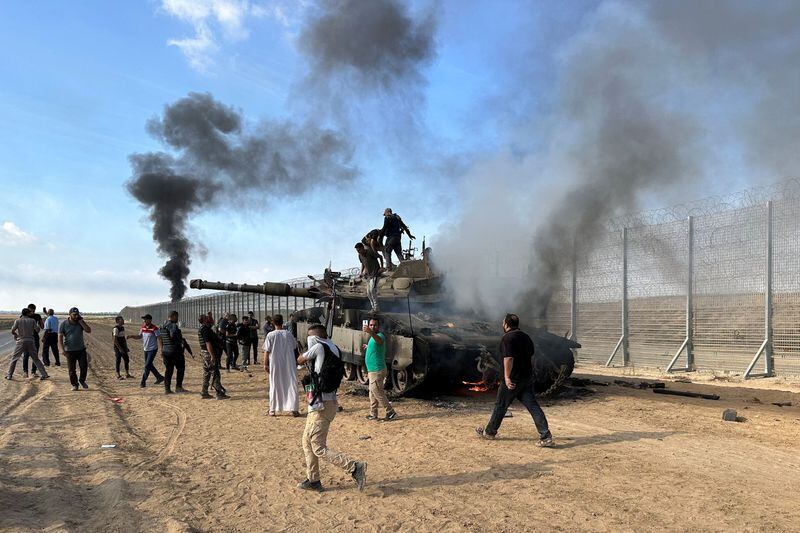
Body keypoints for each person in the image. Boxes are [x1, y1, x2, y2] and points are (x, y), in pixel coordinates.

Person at [296, 324, 367, 492]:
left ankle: (354, 467)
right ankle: (313, 480)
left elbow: (299, 360)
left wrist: (303, 350)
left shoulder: (318, 347)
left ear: (314, 338)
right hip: (323, 402)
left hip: (321, 404)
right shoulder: (333, 347)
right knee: (307, 442)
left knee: (318, 447)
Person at [475, 314, 554, 447]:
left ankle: (489, 432)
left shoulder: (507, 338)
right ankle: (546, 436)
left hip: (513, 379)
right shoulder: (526, 337)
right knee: (533, 407)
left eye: (502, 322)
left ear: (506, 324)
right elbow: (531, 355)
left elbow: (509, 358)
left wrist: (506, 377)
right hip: (526, 378)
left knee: (500, 405)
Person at [263, 314, 300, 417]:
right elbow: (294, 347)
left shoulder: (270, 335)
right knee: (291, 384)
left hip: (275, 363)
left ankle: (272, 409)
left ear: (273, 323)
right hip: (289, 363)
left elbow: (267, 351)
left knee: (275, 384)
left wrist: (265, 364)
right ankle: (294, 409)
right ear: (282, 322)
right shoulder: (288, 334)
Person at [361, 317, 396, 421]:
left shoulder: (379, 336)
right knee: (372, 392)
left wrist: (370, 332)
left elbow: (379, 341)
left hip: (377, 369)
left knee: (377, 391)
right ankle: (373, 413)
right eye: (371, 325)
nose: (372, 327)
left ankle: (390, 412)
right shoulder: (372, 337)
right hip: (372, 369)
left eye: (374, 325)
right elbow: (376, 345)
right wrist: (368, 346)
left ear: (378, 326)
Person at [6, 308, 49, 381]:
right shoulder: (32, 320)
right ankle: (44, 374)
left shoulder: (18, 321)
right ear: (27, 313)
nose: (31, 314)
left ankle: (9, 375)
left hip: (21, 341)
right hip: (31, 341)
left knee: (14, 358)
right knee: (35, 358)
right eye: (30, 313)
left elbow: (12, 331)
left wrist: (16, 335)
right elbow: (37, 329)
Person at [58, 307, 92, 390]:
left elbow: (88, 330)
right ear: (69, 315)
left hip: (81, 349)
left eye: (77, 314)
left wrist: (81, 322)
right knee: (72, 370)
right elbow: (60, 337)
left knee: (84, 366)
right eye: (74, 315)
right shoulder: (64, 324)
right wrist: (62, 349)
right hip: (70, 350)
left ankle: (82, 380)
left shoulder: (80, 322)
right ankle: (75, 384)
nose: (76, 316)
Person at [127, 314, 165, 388]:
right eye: (144, 319)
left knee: (147, 365)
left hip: (153, 349)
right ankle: (159, 377)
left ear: (150, 320)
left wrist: (161, 350)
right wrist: (132, 336)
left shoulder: (155, 328)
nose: (144, 321)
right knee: (149, 365)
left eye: (146, 319)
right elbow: (139, 336)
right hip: (146, 349)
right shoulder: (143, 328)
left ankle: (143, 382)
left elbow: (160, 339)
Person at [198, 314, 228, 400]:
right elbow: (208, 343)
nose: (208, 319)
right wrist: (212, 355)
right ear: (204, 320)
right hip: (208, 353)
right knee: (215, 373)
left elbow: (212, 323)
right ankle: (219, 393)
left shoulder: (205, 329)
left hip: (205, 353)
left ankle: (204, 392)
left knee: (207, 373)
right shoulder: (205, 330)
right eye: (206, 318)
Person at [161, 311, 187, 394]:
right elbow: (172, 335)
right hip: (175, 352)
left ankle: (167, 389)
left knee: (168, 370)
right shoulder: (173, 325)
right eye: (176, 317)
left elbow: (161, 338)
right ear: (172, 316)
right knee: (181, 368)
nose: (177, 318)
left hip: (166, 351)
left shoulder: (162, 326)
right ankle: (178, 387)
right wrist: (180, 340)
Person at [355, 242, 382, 311]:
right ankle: (373, 307)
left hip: (376, 274)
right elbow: (363, 264)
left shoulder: (370, 252)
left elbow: (380, 257)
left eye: (359, 250)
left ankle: (376, 307)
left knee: (372, 290)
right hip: (368, 276)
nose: (358, 252)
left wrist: (381, 267)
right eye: (357, 251)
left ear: (362, 248)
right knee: (368, 292)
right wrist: (361, 272)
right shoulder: (360, 256)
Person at [22, 304, 44, 377]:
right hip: (32, 338)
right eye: (32, 310)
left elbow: (42, 326)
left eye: (33, 310)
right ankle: (31, 372)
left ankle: (28, 372)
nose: (32, 312)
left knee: (29, 355)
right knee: (30, 355)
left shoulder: (23, 316)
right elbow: (42, 326)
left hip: (29, 338)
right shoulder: (36, 316)